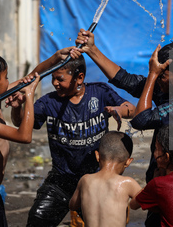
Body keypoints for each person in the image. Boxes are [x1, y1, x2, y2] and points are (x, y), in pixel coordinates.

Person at [10, 53, 136, 226]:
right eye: (53, 78)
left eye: (59, 79)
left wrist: (119, 110)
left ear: (79, 77)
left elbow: (131, 108)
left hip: (96, 180)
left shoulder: (99, 92)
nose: (54, 83)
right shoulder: (49, 102)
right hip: (61, 181)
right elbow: (23, 122)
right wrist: (17, 108)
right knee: (37, 220)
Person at [75, 30, 173, 183]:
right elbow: (125, 80)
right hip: (161, 179)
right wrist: (92, 50)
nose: (157, 79)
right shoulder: (170, 88)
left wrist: (152, 74)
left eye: (161, 75)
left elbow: (140, 120)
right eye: (156, 74)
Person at [0, 47, 80, 227]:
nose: (10, 81)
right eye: (7, 77)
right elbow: (24, 136)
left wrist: (56, 57)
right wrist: (29, 96)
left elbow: (33, 76)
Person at [69, 131, 141, 227]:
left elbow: (72, 205)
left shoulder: (85, 180)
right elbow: (145, 201)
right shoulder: (127, 183)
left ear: (97, 156)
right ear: (128, 161)